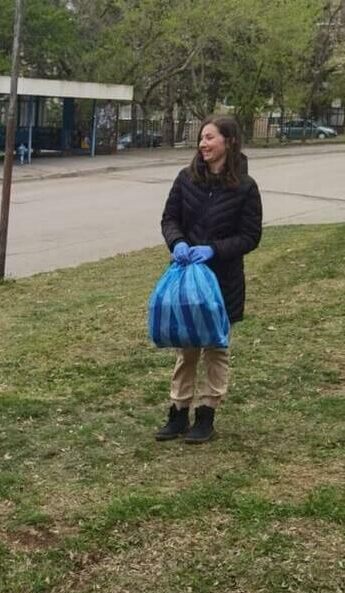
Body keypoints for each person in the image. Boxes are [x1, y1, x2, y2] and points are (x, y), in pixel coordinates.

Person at [155, 115, 263, 444]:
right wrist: (179, 243)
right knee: (186, 347)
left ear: (228, 142)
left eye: (209, 138)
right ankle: (177, 413)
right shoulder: (186, 179)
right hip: (187, 282)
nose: (203, 144)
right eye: (201, 138)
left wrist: (213, 250)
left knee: (215, 348)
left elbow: (250, 236)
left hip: (221, 282)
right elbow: (169, 218)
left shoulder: (245, 187)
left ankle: (206, 415)